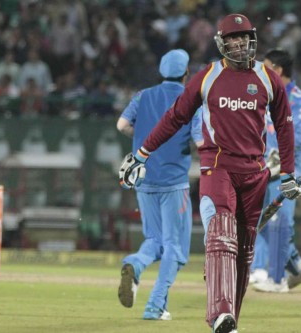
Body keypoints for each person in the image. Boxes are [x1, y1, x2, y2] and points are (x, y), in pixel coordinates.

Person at [119, 14, 301, 333]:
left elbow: (286, 129)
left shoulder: (267, 78)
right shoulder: (207, 76)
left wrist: (287, 173)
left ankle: (229, 319)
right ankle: (219, 313)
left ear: (252, 39)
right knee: (221, 235)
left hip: (256, 174)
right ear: (221, 42)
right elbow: (174, 118)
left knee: (245, 253)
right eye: (232, 38)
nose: (239, 43)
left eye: (243, 37)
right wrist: (142, 153)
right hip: (217, 168)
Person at [116, 49, 203, 321]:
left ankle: (135, 263)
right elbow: (202, 141)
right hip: (174, 183)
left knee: (155, 240)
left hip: (144, 180)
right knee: (175, 248)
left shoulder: (143, 96)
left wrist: (142, 138)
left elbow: (121, 125)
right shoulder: (190, 100)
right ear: (186, 73)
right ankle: (155, 305)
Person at [249, 49, 301, 293]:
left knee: (279, 221)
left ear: (277, 70)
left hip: (287, 169)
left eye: (266, 68)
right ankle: (296, 267)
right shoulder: (267, 96)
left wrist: (279, 153)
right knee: (262, 222)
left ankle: (276, 280)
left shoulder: (295, 98)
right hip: (268, 168)